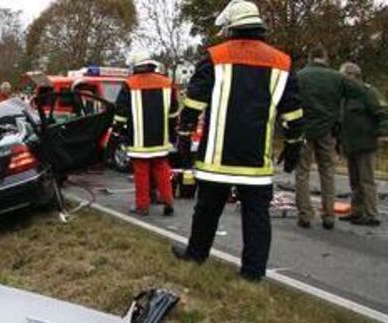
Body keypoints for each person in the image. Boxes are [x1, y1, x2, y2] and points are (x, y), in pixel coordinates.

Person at [172, 0, 305, 281]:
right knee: (256, 219)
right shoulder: (282, 62)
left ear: (232, 27)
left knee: (206, 210)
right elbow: (292, 111)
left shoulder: (214, 56)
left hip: (216, 159)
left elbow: (194, 103)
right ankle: (253, 273)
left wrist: (184, 138)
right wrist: (294, 144)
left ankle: (196, 255)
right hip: (256, 162)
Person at [295, 46, 363, 230]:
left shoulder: (299, 76)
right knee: (327, 172)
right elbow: (359, 91)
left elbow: (290, 100)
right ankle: (329, 215)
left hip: (304, 129)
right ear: (325, 58)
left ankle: (305, 214)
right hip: (327, 130)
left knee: (302, 172)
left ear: (310, 57)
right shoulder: (337, 77)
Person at [115, 50, 178, 216]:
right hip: (160, 138)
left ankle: (142, 206)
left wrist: (118, 130)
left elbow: (121, 113)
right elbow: (174, 113)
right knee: (162, 169)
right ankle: (168, 201)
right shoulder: (167, 82)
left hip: (138, 139)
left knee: (141, 173)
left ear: (136, 67)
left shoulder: (129, 84)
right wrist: (172, 135)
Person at [338, 62, 388, 226]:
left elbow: (382, 113)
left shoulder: (368, 92)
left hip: (366, 143)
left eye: (345, 76)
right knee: (355, 181)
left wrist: (382, 133)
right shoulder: (345, 97)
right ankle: (357, 210)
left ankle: (371, 214)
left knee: (367, 180)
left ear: (354, 76)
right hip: (351, 144)